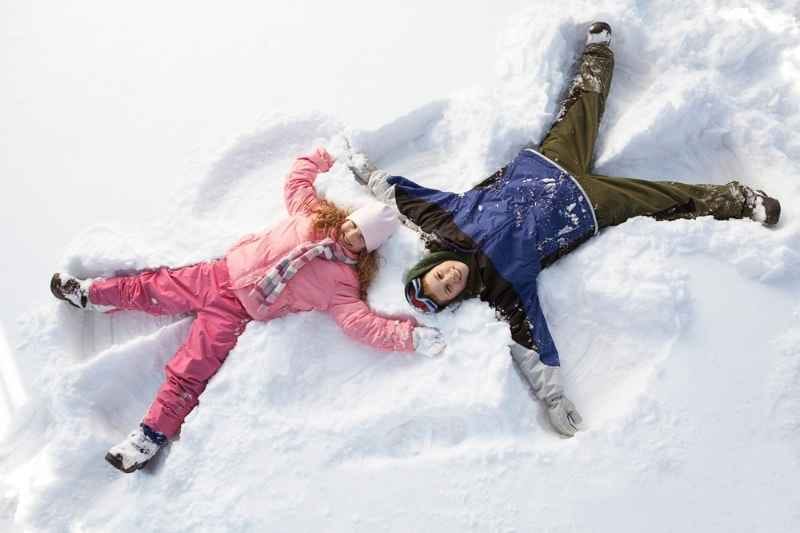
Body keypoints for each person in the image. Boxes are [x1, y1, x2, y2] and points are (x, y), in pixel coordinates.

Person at [347, 22, 781, 438]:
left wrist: (368, 175)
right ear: (456, 297)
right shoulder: (504, 287)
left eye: (438, 276)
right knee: (664, 197)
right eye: (447, 291)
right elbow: (531, 343)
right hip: (587, 205)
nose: (449, 279)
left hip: (551, 163)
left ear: (435, 264)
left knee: (582, 105)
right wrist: (553, 400)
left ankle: (598, 50)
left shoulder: (450, 223)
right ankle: (741, 200)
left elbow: (406, 199)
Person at [50, 148, 446, 473]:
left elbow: (361, 325)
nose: (354, 236)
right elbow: (296, 182)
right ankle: (90, 294)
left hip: (237, 313)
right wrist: (322, 156)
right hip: (217, 275)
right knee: (151, 287)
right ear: (349, 219)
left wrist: (408, 336)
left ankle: (148, 437)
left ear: (368, 251)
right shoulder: (311, 214)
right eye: (356, 227)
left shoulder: (342, 282)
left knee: (190, 371)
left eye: (363, 239)